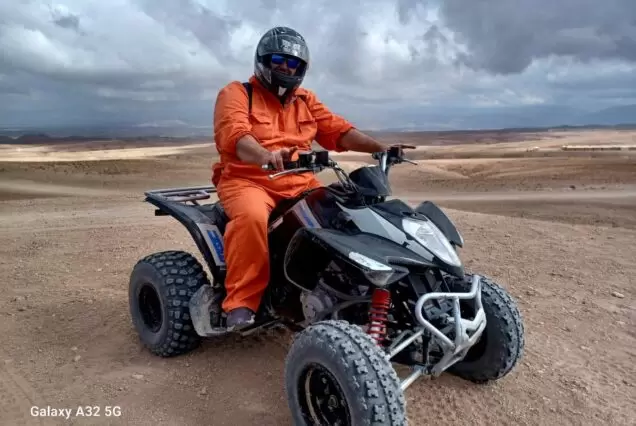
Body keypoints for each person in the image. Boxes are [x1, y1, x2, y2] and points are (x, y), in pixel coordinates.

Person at [211, 26, 392, 331]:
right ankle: (242, 302)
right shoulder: (238, 93)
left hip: (299, 181)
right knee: (252, 219)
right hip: (250, 180)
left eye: (292, 64)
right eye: (279, 61)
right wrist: (265, 156)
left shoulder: (305, 100)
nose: (286, 69)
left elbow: (338, 130)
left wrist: (379, 148)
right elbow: (235, 134)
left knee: (340, 213)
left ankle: (339, 287)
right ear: (263, 61)